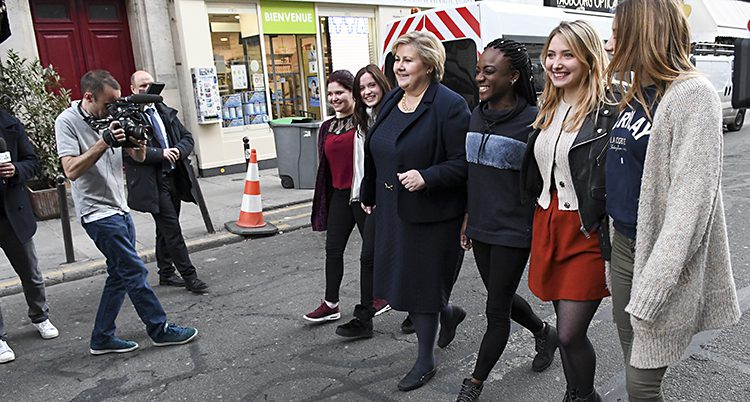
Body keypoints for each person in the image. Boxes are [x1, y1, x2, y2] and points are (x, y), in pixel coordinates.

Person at [603, 1, 741, 400]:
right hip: (624, 248)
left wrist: (655, 285)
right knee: (632, 359)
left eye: (616, 32)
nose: (609, 43)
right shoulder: (635, 91)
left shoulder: (693, 95)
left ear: (642, 32)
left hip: (657, 260)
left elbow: (689, 209)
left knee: (642, 385)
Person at [55, 70, 198, 355]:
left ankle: (102, 337)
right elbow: (70, 169)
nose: (113, 109)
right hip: (96, 213)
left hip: (119, 208)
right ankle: (159, 328)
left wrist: (139, 140)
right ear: (88, 97)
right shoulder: (67, 121)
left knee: (119, 275)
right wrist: (104, 140)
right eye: (108, 104)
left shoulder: (112, 115)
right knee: (134, 270)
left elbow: (139, 157)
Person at [361, 30, 470, 392]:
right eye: (396, 59)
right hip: (392, 206)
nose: (399, 66)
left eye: (407, 59)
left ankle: (425, 359)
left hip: (433, 211)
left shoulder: (449, 105)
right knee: (401, 278)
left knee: (421, 285)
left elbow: (463, 162)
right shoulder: (395, 98)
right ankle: (448, 313)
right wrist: (368, 187)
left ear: (429, 64)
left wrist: (427, 176)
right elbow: (379, 146)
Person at [520, 21, 617, 402]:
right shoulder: (549, 104)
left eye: (567, 55)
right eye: (551, 55)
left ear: (589, 58)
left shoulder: (609, 110)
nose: (555, 64)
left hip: (586, 227)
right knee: (565, 329)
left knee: (568, 333)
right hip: (548, 222)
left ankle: (581, 394)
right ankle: (578, 393)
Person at [456, 39, 558, 402]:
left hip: (515, 230)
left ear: (513, 76)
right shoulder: (475, 112)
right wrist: (468, 217)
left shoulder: (534, 121)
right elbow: (473, 173)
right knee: (499, 295)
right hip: (481, 225)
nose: (479, 77)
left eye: (489, 71)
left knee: (495, 310)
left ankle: (474, 385)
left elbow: (547, 180)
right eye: (479, 70)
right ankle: (544, 330)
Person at [306, 70, 390, 323]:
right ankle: (331, 303)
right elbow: (325, 168)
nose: (334, 98)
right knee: (333, 250)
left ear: (352, 93)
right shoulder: (327, 126)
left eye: (339, 92)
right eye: (330, 93)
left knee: (374, 252)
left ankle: (382, 297)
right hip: (340, 196)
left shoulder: (365, 120)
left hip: (363, 196)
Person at [125, 70, 208, 294]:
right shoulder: (130, 117)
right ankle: (190, 277)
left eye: (150, 84)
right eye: (141, 86)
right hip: (153, 181)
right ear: (132, 89)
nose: (147, 89)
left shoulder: (164, 111)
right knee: (172, 229)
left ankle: (166, 272)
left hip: (174, 177)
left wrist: (177, 152)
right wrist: (161, 153)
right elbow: (129, 153)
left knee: (165, 230)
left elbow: (187, 138)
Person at [334, 64, 396, 339]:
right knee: (368, 257)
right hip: (373, 199)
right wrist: (363, 194)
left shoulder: (396, 113)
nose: (368, 91)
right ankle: (364, 319)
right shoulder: (363, 119)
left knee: (405, 257)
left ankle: (432, 313)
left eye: (372, 85)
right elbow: (363, 165)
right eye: (362, 88)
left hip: (397, 197)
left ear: (382, 84)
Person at [0, 108, 59, 364]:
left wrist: (15, 170)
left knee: (30, 272)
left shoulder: (10, 123)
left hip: (13, 213)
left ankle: (40, 315)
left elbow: (32, 161)